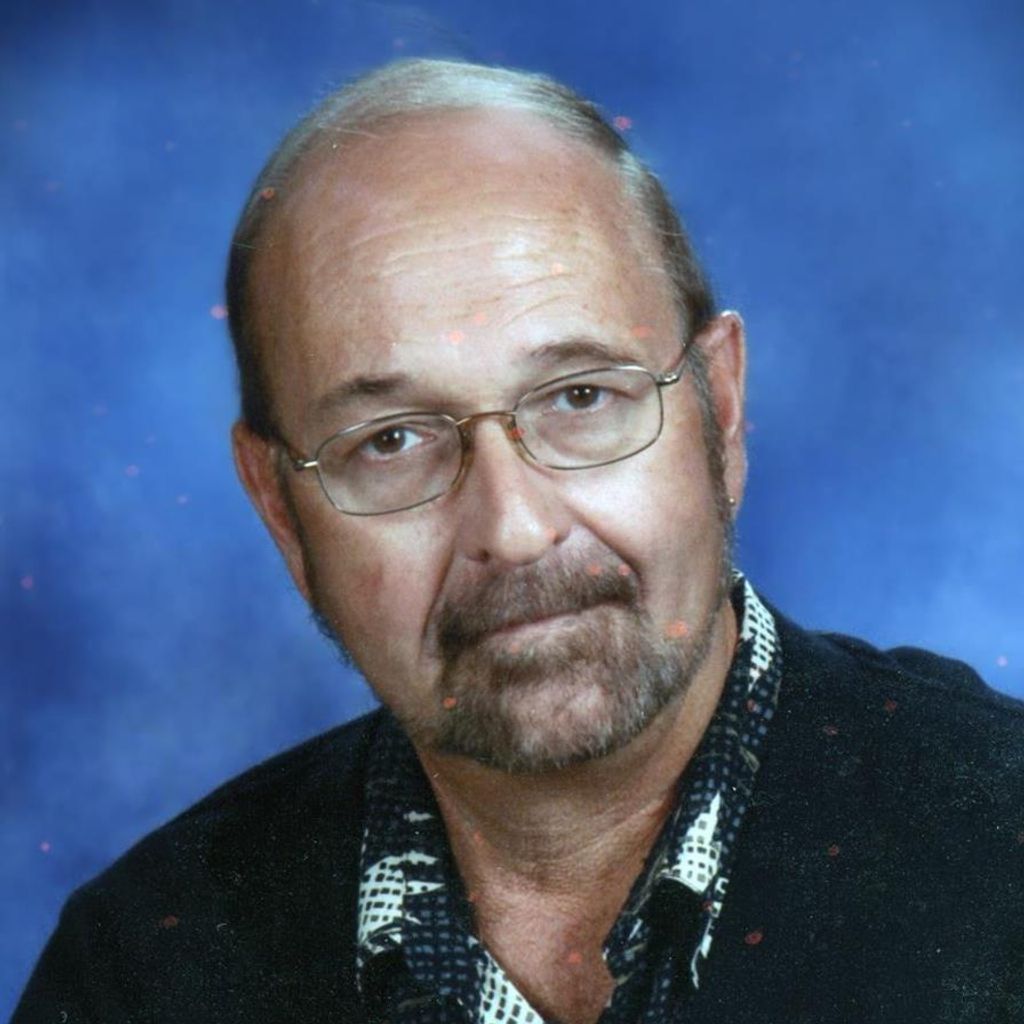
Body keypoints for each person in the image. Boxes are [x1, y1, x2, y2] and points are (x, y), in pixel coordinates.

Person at [14, 58, 1023, 1024]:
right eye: (390, 440)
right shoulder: (143, 970)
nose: (514, 528)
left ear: (718, 413)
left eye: (580, 397)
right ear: (279, 508)